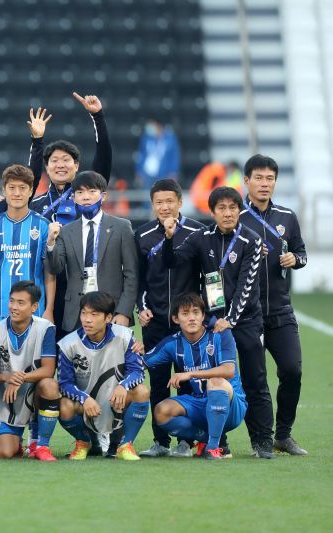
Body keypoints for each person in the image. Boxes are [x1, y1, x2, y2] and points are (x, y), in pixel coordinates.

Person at [161, 186, 273, 458]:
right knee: (212, 381)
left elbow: (247, 285)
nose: (227, 213)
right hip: (211, 322)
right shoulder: (202, 237)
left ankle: (262, 441)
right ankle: (218, 440)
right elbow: (173, 261)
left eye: (233, 208)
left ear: (240, 210)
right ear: (211, 212)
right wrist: (168, 238)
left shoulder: (252, 239)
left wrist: (230, 320)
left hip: (245, 321)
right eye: (221, 208)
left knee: (255, 378)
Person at [239, 154, 308, 455]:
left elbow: (302, 254)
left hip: (280, 310)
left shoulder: (287, 217)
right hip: (246, 314)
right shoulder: (235, 216)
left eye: (270, 179)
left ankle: (283, 434)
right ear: (247, 181)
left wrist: (295, 259)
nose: (265, 184)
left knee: (292, 370)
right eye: (259, 178)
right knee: (255, 379)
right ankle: (261, 440)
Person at [134, 179, 205, 457]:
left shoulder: (197, 232)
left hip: (188, 324)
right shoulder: (141, 235)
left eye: (169, 201)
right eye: (159, 202)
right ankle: (160, 442)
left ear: (180, 202)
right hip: (155, 322)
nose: (164, 207)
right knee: (159, 381)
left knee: (188, 382)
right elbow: (138, 279)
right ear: (152, 205)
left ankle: (186, 441)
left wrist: (203, 315)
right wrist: (141, 308)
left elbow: (204, 276)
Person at [144, 293, 248, 460]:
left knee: (216, 382)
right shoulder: (173, 343)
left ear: (203, 316)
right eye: (185, 314)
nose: (191, 318)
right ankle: (206, 439)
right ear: (176, 319)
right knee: (161, 411)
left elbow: (228, 370)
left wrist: (190, 373)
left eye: (196, 313)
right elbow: (144, 362)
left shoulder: (220, 334)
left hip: (232, 404)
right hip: (200, 403)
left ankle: (213, 448)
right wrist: (130, 349)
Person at [57, 291, 150, 461]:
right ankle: (84, 442)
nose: (87, 319)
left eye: (94, 314)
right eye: (84, 313)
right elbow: (64, 384)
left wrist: (123, 386)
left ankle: (125, 445)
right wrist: (84, 398)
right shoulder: (67, 344)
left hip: (116, 400)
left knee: (142, 391)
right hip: (87, 404)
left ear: (108, 318)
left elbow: (137, 371)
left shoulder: (125, 335)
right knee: (64, 405)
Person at [46, 171, 138, 333]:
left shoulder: (121, 227)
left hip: (111, 311)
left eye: (92, 191)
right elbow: (55, 268)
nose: (86, 197)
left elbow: (132, 274)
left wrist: (124, 311)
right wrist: (51, 243)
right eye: (80, 192)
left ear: (103, 196)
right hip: (76, 312)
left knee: (112, 358)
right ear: (73, 198)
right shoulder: (65, 232)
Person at [0, 281, 61, 461]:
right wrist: (6, 377)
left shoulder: (46, 328)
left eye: (20, 303)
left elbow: (49, 370)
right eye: (11, 301)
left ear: (34, 307)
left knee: (49, 385)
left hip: (34, 393)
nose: (14, 307)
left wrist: (19, 378)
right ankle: (14, 441)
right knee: (3, 453)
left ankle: (41, 445)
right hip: (7, 399)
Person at [0, 164, 55, 326]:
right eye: (12, 188)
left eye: (22, 188)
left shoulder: (43, 226)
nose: (17, 193)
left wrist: (49, 310)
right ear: (4, 190)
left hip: (35, 312)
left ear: (31, 191)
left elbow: (49, 272)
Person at [30, 93, 112, 224]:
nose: (60, 165)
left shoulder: (88, 198)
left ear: (76, 166)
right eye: (55, 160)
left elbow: (104, 156)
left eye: (66, 160)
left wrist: (97, 116)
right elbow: (30, 176)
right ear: (47, 168)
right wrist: (37, 141)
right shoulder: (34, 205)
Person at [136, 118, 181, 188]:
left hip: (164, 174)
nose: (150, 128)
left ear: (158, 125)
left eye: (152, 125)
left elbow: (174, 157)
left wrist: (173, 172)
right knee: (147, 197)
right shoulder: (146, 138)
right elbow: (141, 156)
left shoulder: (170, 138)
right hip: (147, 175)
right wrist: (139, 172)